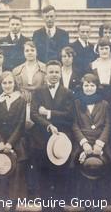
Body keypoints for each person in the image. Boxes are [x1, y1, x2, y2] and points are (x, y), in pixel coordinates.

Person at [30, 60, 74, 211]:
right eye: (51, 72)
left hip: (61, 140)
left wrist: (48, 113)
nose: (54, 75)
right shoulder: (38, 91)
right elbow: (34, 114)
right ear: (46, 74)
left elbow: (69, 115)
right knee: (44, 176)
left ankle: (59, 207)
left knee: (60, 176)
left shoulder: (67, 92)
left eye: (57, 72)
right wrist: (48, 125)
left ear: (61, 73)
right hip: (41, 140)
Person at [71, 73, 111, 210]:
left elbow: (107, 125)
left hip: (100, 143)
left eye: (92, 85)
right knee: (83, 171)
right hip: (83, 142)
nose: (89, 88)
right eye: (86, 85)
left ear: (97, 86)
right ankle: (85, 204)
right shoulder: (77, 103)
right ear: (82, 87)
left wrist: (100, 143)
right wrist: (84, 143)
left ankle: (99, 205)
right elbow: (74, 125)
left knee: (101, 168)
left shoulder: (104, 104)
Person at [0, 71, 27, 212]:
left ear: (14, 84)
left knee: (15, 178)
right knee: (0, 174)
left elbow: (21, 123)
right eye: (4, 83)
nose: (7, 85)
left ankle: (12, 207)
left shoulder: (21, 100)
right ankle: (1, 206)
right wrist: (0, 141)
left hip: (15, 143)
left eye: (10, 82)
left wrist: (10, 143)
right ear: (1, 85)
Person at [90, 37, 111, 101]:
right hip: (97, 97)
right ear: (98, 50)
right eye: (101, 49)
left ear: (110, 49)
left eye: (106, 48)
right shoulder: (92, 65)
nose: (104, 51)